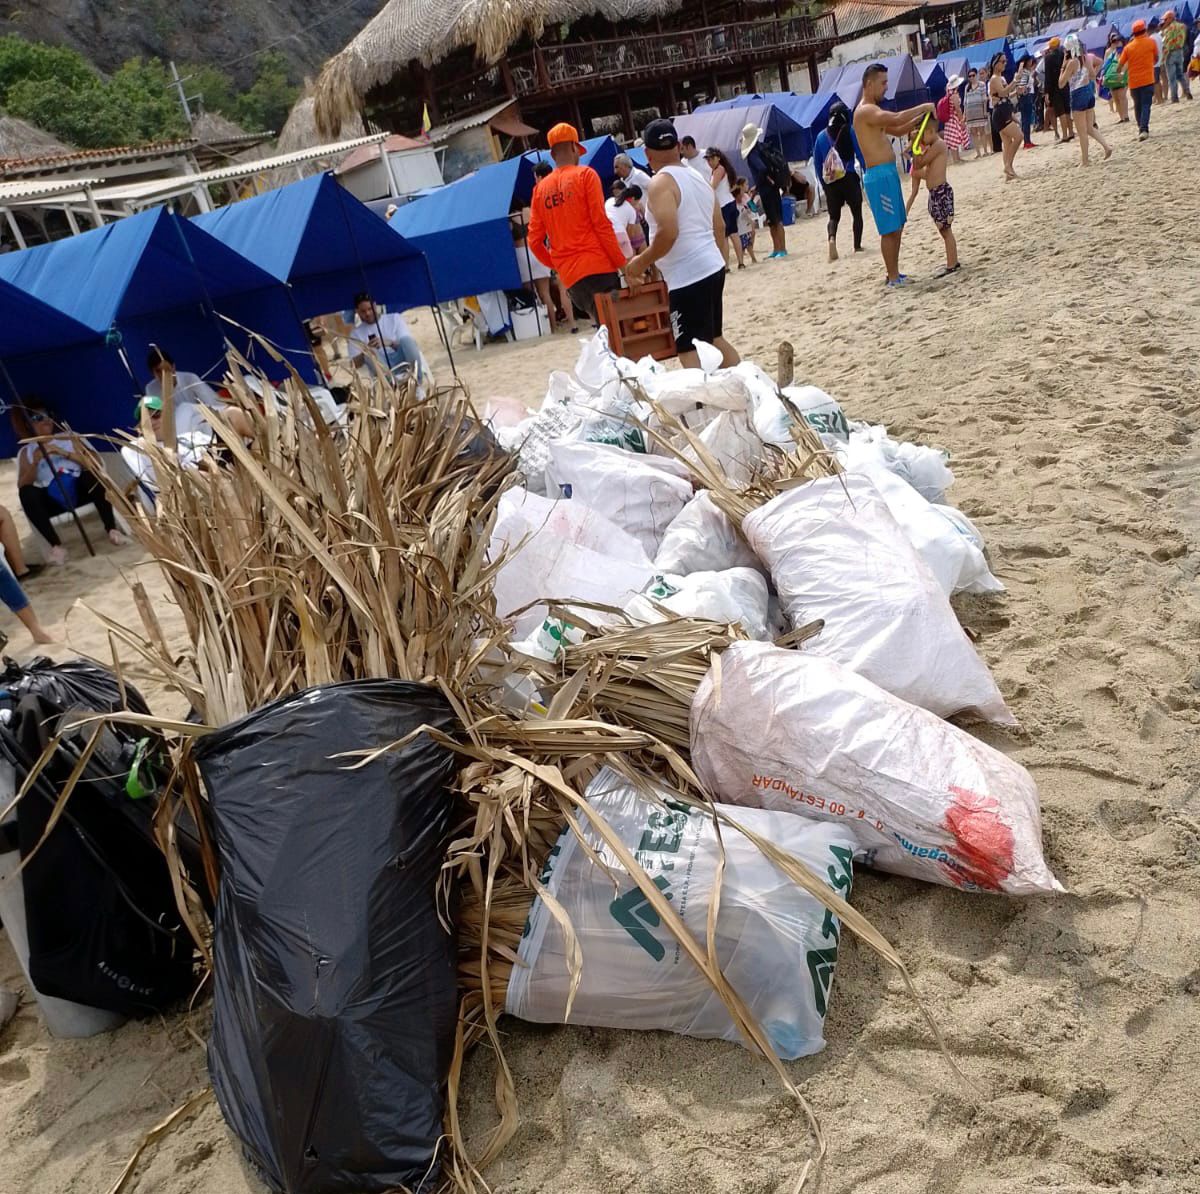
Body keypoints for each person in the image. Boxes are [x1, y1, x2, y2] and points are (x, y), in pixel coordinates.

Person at [624, 118, 738, 369]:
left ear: (646, 153)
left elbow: (668, 233)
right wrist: (718, 260)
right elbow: (718, 225)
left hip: (688, 276)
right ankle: (749, 386)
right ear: (677, 145)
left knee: (688, 349)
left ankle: (705, 405)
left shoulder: (661, 183)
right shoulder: (697, 176)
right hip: (711, 266)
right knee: (714, 339)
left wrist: (639, 263)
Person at [528, 122, 627, 323]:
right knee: (620, 332)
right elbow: (601, 225)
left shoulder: (540, 190)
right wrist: (623, 265)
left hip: (572, 279)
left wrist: (557, 263)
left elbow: (534, 241)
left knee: (604, 330)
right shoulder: (585, 175)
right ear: (574, 147)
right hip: (599, 268)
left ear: (553, 154)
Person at [12, 397, 123, 565]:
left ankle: (112, 529)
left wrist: (64, 453)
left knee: (91, 475)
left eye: (47, 414)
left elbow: (96, 463)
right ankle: (56, 546)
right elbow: (22, 485)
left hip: (80, 488)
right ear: (28, 424)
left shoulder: (69, 437)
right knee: (27, 493)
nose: (45, 419)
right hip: (52, 497)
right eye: (37, 417)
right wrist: (35, 461)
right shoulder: (27, 450)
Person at [853, 63, 935, 287]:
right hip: (878, 176)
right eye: (883, 83)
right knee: (889, 229)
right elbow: (897, 118)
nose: (886, 88)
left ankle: (895, 273)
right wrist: (923, 107)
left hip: (887, 173)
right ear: (869, 84)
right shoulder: (865, 111)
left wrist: (921, 120)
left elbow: (897, 129)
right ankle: (891, 277)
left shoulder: (873, 112)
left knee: (896, 226)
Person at [905, 119, 959, 277]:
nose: (922, 139)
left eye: (923, 136)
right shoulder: (933, 146)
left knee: (946, 231)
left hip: (941, 191)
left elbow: (919, 163)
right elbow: (917, 165)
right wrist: (915, 145)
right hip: (935, 192)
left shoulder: (939, 145)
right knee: (944, 231)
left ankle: (952, 264)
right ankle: (952, 261)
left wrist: (915, 145)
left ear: (930, 132)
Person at [813, 102, 864, 261]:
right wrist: (866, 170)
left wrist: (824, 184)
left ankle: (832, 239)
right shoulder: (850, 131)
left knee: (833, 217)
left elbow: (817, 163)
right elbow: (859, 154)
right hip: (848, 177)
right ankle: (857, 246)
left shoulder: (821, 137)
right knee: (856, 213)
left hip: (831, 183)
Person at [145, 347, 223, 438]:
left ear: (173, 367)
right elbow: (156, 418)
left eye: (166, 369)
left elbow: (215, 404)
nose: (164, 374)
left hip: (201, 421)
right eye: (158, 371)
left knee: (185, 408)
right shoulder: (150, 389)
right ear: (152, 374)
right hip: (174, 431)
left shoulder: (190, 378)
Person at [1059, 37, 1113, 166]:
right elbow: (1093, 74)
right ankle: (1106, 147)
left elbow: (1061, 84)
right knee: (1089, 127)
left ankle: (1085, 160)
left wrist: (1062, 67)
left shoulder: (1071, 63)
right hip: (1088, 91)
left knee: (1082, 131)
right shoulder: (1084, 58)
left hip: (1077, 93)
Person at [741, 123, 789, 258]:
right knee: (773, 220)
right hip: (772, 187)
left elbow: (761, 169)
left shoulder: (753, 154)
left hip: (767, 190)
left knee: (775, 220)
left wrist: (758, 185)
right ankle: (778, 248)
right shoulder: (762, 148)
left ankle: (781, 249)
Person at [349, 293, 422, 376]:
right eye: (363, 311)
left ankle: (416, 379)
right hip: (381, 367)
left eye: (370, 309)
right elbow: (352, 364)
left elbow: (412, 345)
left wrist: (390, 343)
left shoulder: (394, 318)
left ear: (375, 305)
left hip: (401, 358)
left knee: (406, 341)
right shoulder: (355, 333)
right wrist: (366, 352)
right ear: (357, 311)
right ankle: (391, 384)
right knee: (371, 353)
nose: (367, 313)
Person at [703, 147, 745, 268]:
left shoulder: (719, 170)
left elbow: (712, 187)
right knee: (734, 234)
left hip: (724, 205)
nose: (710, 162)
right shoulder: (724, 169)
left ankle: (726, 265)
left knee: (725, 236)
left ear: (718, 158)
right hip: (729, 202)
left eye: (712, 159)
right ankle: (740, 262)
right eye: (708, 159)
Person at [1120, 20, 1160, 139]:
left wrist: (1119, 72)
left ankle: (1140, 127)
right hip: (1148, 79)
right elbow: (1156, 58)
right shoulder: (1151, 42)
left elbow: (1120, 65)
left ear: (1133, 33)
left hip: (1133, 82)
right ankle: (1144, 129)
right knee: (1146, 104)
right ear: (1145, 30)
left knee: (1137, 105)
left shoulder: (1128, 47)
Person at [988, 53, 1023, 180]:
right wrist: (1015, 80)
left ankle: (1009, 171)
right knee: (1019, 137)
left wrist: (1016, 92)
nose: (1004, 64)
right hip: (1000, 112)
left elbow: (1005, 95)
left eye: (1005, 61)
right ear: (995, 63)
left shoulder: (1000, 78)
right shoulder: (994, 79)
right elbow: (1002, 93)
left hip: (1003, 110)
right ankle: (1008, 166)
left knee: (1007, 143)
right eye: (1002, 62)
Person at [1043, 38, 1073, 141]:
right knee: (1067, 109)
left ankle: (1064, 135)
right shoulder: (1064, 54)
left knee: (1061, 111)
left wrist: (1046, 92)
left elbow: (1048, 76)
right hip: (1065, 83)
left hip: (1054, 88)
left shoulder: (1048, 58)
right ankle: (1071, 132)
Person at [1161, 9, 1194, 101]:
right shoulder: (1182, 26)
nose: (1164, 21)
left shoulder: (1168, 29)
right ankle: (1187, 92)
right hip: (1180, 52)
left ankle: (1174, 97)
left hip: (1170, 53)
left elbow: (1166, 43)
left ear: (1170, 18)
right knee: (1180, 74)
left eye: (1166, 19)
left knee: (1172, 77)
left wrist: (1163, 58)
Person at [604, 180, 639, 258]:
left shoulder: (609, 201)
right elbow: (630, 233)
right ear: (633, 199)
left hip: (607, 235)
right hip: (622, 235)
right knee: (629, 260)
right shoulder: (632, 210)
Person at [1102, 32, 1131, 123]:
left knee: (1122, 96)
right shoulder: (1109, 52)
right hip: (1112, 77)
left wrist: (1123, 73)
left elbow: (1127, 63)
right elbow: (1105, 64)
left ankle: (1126, 116)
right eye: (1113, 41)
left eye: (1117, 40)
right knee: (1115, 98)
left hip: (1122, 76)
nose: (1116, 42)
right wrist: (1104, 76)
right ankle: (1121, 117)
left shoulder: (1124, 51)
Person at [940, 77, 970, 163]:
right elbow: (958, 109)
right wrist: (961, 121)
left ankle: (956, 158)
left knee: (953, 139)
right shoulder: (954, 95)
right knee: (955, 138)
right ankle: (956, 159)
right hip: (954, 118)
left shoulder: (949, 94)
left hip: (950, 119)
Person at [963, 68, 990, 156]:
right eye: (970, 76)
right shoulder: (967, 87)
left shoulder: (981, 85)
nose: (971, 77)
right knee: (973, 133)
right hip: (970, 112)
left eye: (973, 75)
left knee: (982, 131)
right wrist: (965, 114)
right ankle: (978, 152)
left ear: (976, 75)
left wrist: (985, 110)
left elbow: (984, 99)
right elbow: (965, 101)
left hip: (979, 111)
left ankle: (985, 151)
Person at [1013, 55, 1038, 148]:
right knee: (1026, 119)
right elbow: (1022, 86)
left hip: (1024, 97)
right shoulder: (1025, 72)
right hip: (1026, 97)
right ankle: (1027, 140)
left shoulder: (1024, 72)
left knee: (1025, 119)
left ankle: (1027, 140)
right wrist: (1025, 92)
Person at [732, 184, 759, 264]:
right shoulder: (734, 206)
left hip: (746, 228)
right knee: (741, 246)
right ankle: (741, 261)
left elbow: (751, 211)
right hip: (740, 230)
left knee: (749, 245)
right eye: (740, 195)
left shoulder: (743, 204)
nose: (742, 196)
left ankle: (753, 258)